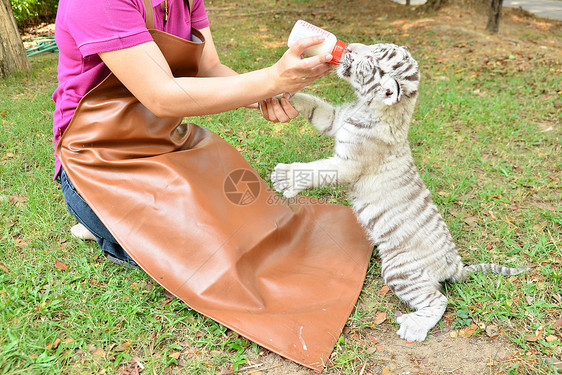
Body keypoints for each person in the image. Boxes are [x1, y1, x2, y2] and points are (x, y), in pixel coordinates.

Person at [52, 0, 333, 266]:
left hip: (162, 143)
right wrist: (270, 78)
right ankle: (96, 220)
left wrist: (269, 92)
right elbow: (161, 96)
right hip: (97, 162)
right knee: (202, 251)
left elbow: (209, 68)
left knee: (245, 221)